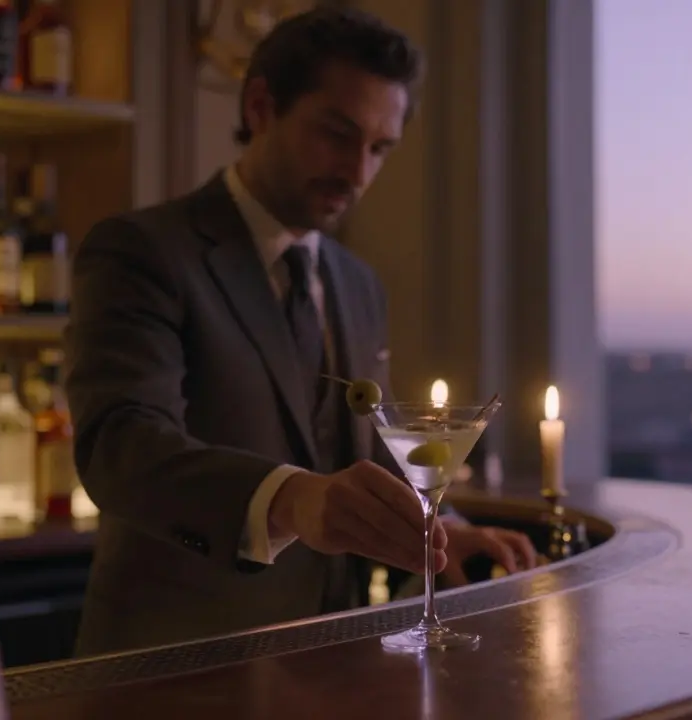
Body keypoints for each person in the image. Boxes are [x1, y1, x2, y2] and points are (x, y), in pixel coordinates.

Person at [64, 6, 536, 657]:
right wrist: (291, 499)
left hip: (330, 659)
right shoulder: (142, 250)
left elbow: (362, 456)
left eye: (379, 148)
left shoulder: (358, 281)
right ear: (260, 105)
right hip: (175, 668)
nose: (358, 171)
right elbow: (120, 447)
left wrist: (444, 527)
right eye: (336, 135)